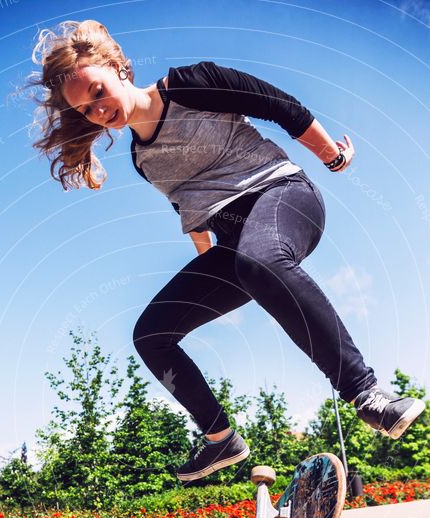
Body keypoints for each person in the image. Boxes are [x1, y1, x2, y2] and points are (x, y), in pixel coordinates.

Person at [28, 19, 425, 482]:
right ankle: (220, 439)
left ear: (118, 68)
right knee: (151, 333)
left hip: (284, 196)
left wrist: (330, 156)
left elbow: (279, 105)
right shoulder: (140, 157)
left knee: (257, 260)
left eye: (97, 92)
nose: (97, 111)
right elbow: (192, 208)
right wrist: (206, 276)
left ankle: (368, 393)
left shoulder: (188, 84)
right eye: (85, 110)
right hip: (239, 245)